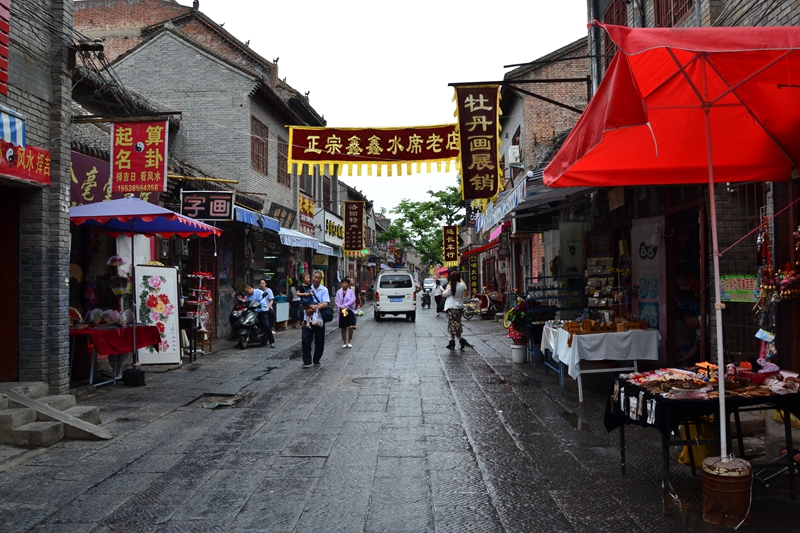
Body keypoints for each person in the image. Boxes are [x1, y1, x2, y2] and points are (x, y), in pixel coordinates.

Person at [301, 270, 330, 368]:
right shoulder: (306, 289)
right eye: (315, 277)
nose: (316, 279)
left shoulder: (324, 290)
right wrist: (310, 308)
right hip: (307, 319)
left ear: (321, 279)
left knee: (319, 340)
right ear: (312, 278)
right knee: (306, 340)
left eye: (318, 278)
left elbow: (326, 303)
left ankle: (316, 359)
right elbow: (302, 304)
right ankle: (306, 361)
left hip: (319, 319)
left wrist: (315, 308)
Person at [441, 271, 472, 352]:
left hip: (452, 307)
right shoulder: (461, 285)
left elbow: (443, 294)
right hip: (459, 307)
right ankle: (452, 341)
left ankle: (462, 340)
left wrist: (448, 286)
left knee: (453, 326)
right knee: (455, 324)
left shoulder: (451, 286)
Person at [242, 283, 275, 348]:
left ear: (250, 288)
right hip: (252, 312)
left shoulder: (259, 292)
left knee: (267, 326)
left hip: (261, 311)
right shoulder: (248, 296)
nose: (247, 293)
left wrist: (258, 306)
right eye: (245, 292)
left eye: (247, 291)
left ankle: (272, 342)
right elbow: (248, 303)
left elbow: (262, 303)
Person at [335, 277, 357, 348]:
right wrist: (340, 306)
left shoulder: (351, 292)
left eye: (345, 283)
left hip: (349, 310)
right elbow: (336, 301)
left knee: (350, 326)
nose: (344, 285)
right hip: (342, 311)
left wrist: (345, 305)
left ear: (348, 284)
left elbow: (352, 300)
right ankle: (344, 341)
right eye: (343, 283)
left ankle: (349, 341)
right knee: (343, 327)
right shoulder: (338, 292)